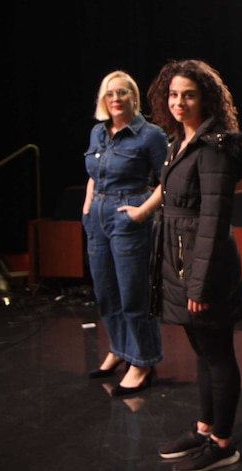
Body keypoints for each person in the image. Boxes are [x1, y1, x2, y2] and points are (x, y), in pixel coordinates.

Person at [121, 59, 242, 471]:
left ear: (205, 98)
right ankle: (205, 428)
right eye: (173, 94)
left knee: (218, 355)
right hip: (180, 262)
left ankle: (223, 443)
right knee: (202, 353)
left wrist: (199, 286)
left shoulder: (215, 146)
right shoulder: (178, 142)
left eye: (189, 94)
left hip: (204, 269)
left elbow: (213, 222)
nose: (179, 102)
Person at [82, 70, 168, 396]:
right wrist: (88, 205)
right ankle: (119, 349)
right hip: (98, 217)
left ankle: (143, 360)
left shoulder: (150, 136)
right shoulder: (98, 133)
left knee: (133, 293)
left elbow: (167, 181)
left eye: (122, 93)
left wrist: (142, 212)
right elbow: (93, 173)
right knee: (106, 292)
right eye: (110, 94)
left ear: (134, 97)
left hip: (128, 215)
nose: (116, 99)